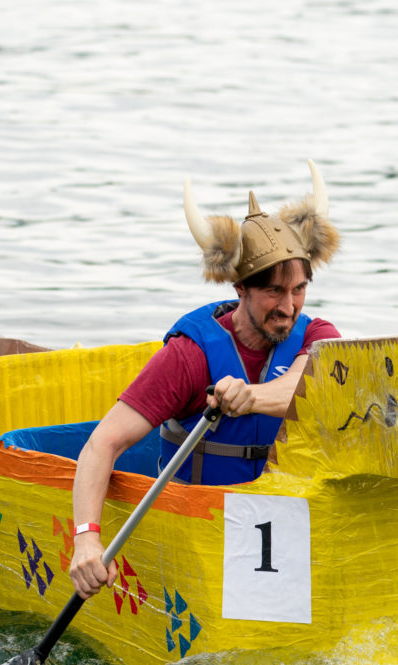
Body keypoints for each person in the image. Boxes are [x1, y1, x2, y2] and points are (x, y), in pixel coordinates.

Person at [68, 160, 342, 599]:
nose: (289, 306)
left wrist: (250, 396)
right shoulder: (189, 356)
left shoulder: (318, 336)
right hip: (198, 534)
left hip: (284, 534)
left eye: (298, 289)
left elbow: (309, 384)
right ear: (240, 289)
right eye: (273, 290)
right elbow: (103, 444)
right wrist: (86, 538)